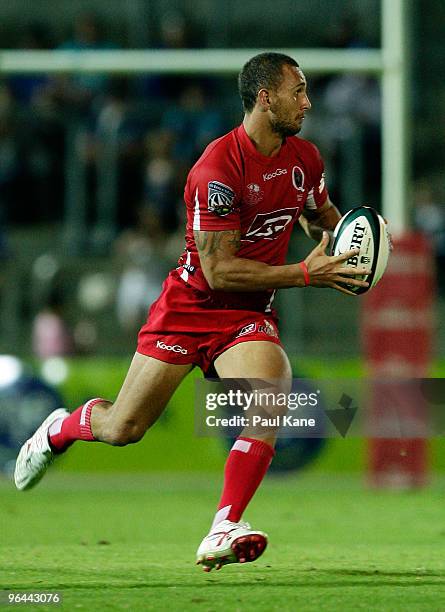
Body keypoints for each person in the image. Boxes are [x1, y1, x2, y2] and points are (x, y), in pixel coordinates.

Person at [14, 52, 369, 572]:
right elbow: (220, 270)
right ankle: (58, 430)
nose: (308, 102)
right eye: (299, 91)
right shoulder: (218, 169)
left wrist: (352, 244)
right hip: (189, 309)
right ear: (265, 98)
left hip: (246, 317)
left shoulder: (305, 160)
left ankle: (224, 525)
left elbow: (321, 219)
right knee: (124, 428)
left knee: (271, 397)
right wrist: (305, 274)